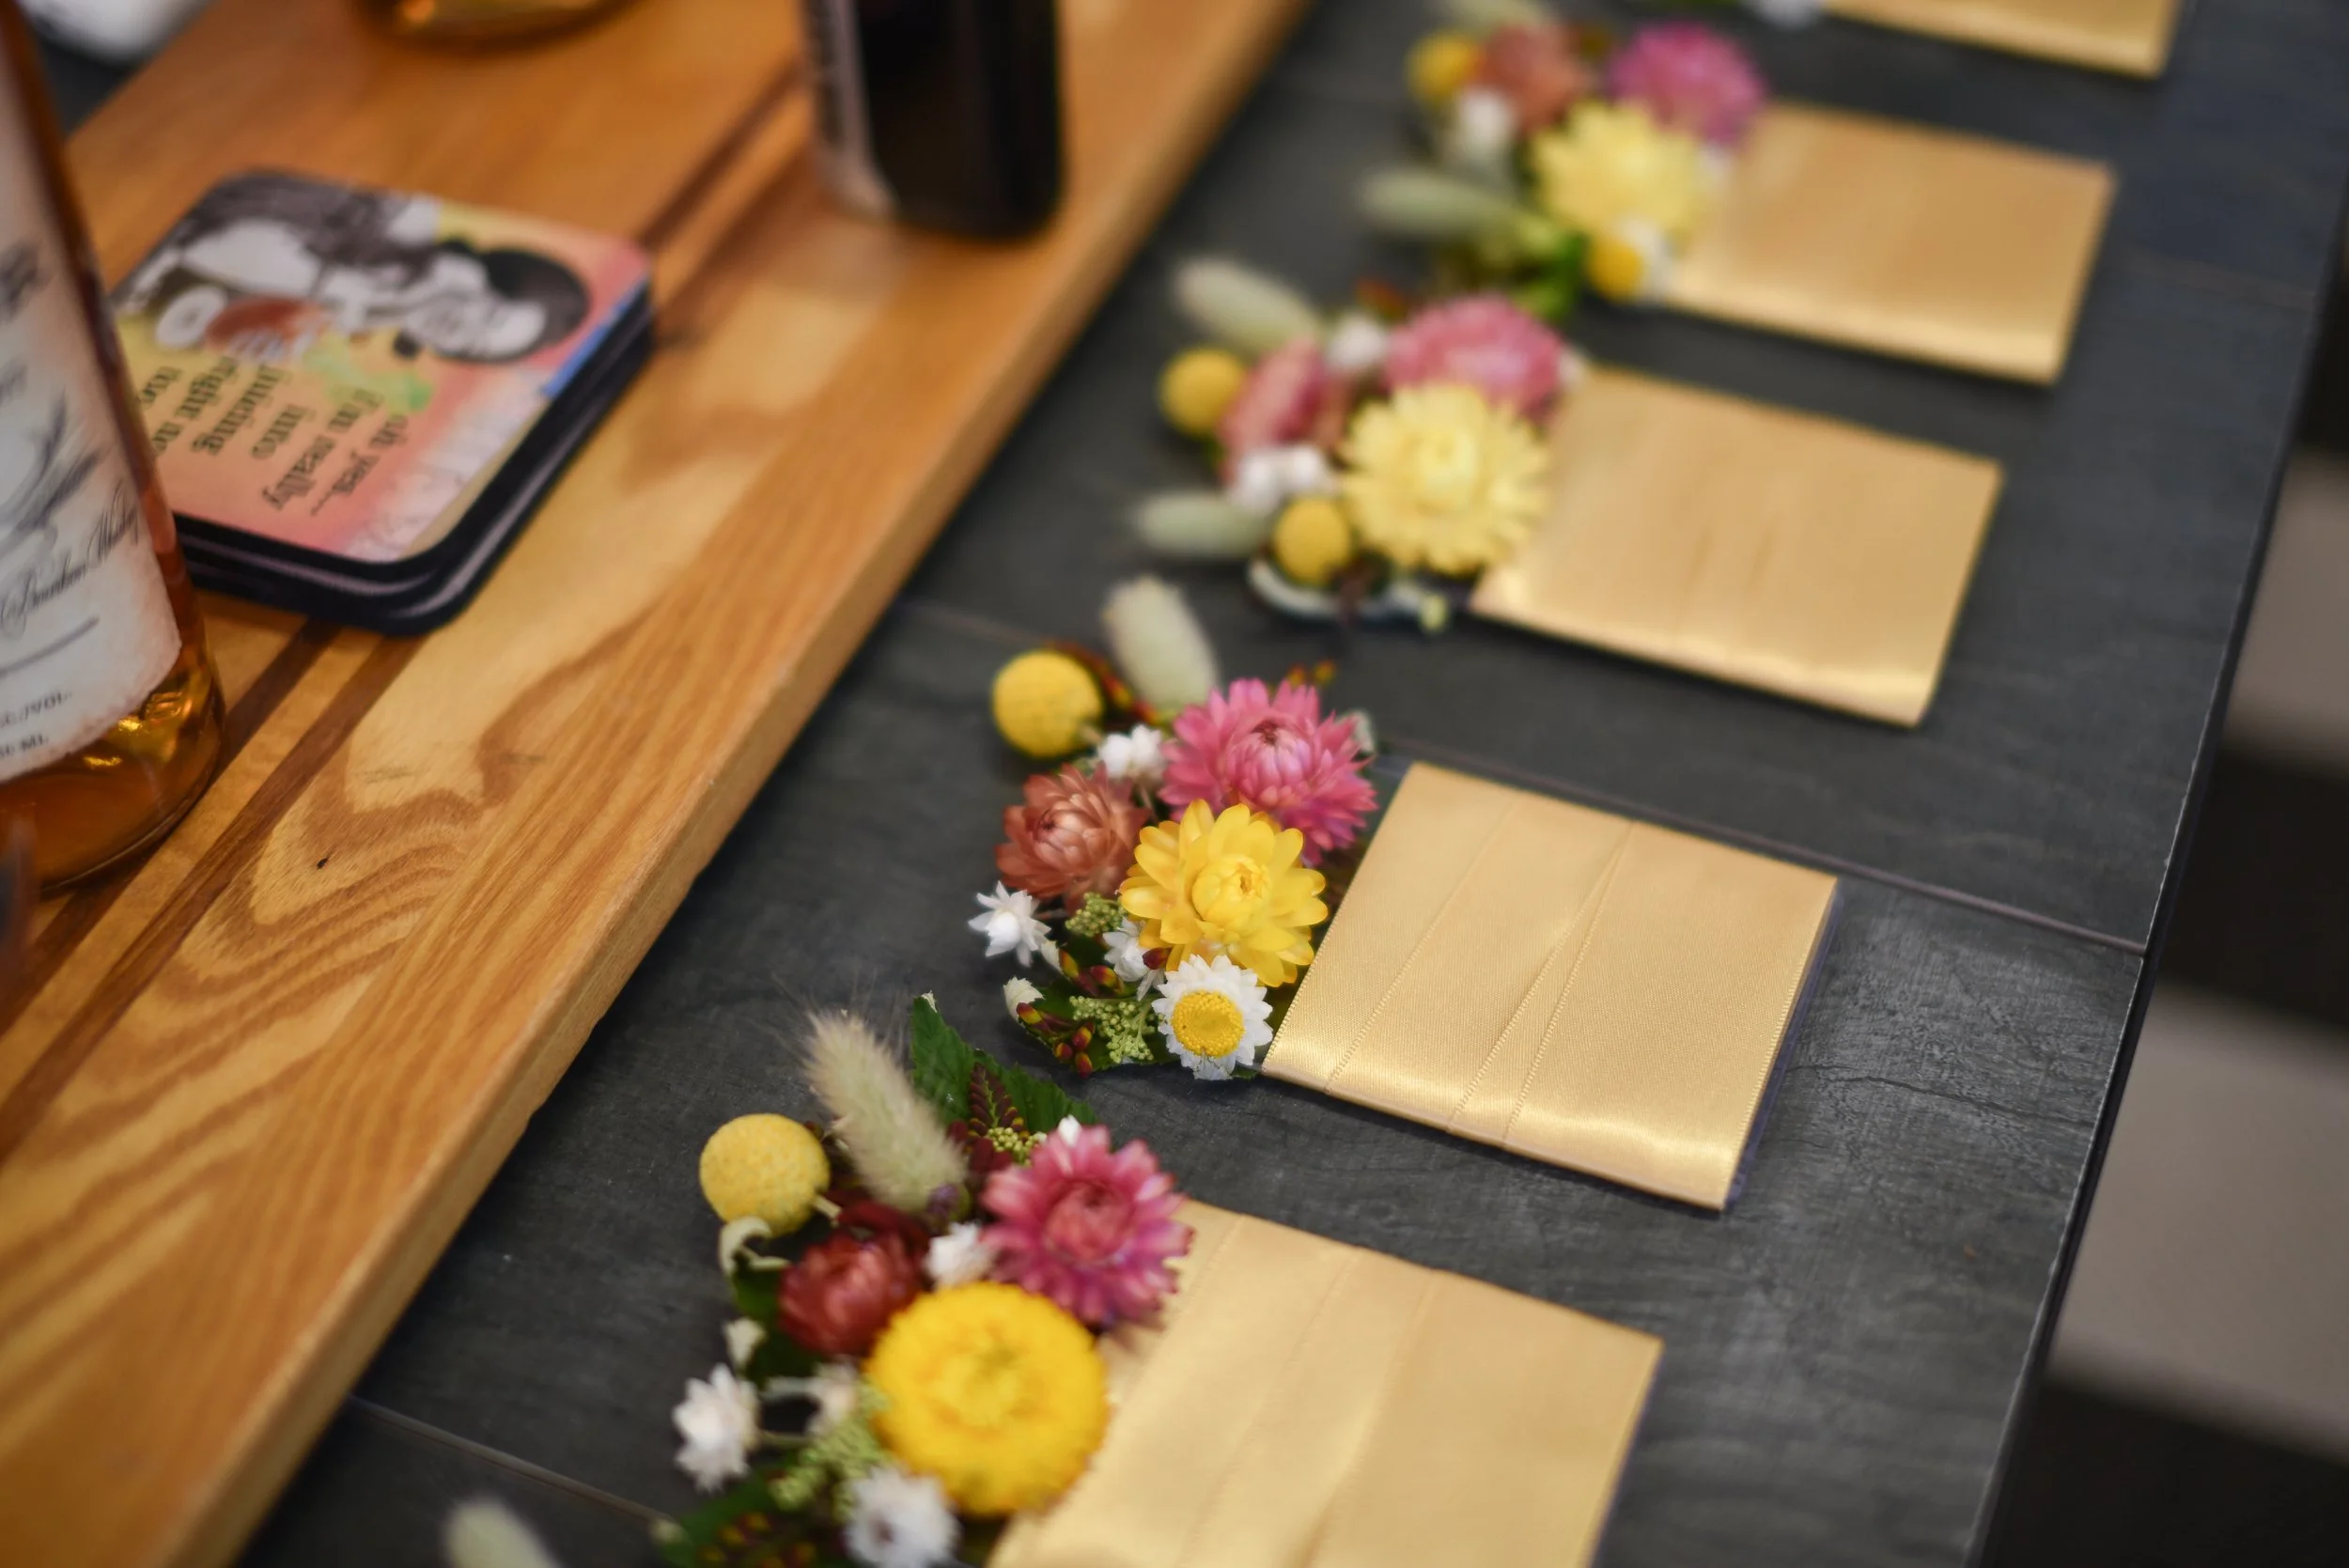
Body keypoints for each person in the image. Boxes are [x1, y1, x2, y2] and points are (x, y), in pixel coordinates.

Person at [116, 170, 590, 365]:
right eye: (488, 315)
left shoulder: (341, 329)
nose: (459, 328)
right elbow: (222, 238)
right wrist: (349, 289)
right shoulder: (406, 219)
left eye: (473, 343)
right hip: (146, 190)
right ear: (477, 277)